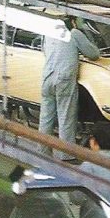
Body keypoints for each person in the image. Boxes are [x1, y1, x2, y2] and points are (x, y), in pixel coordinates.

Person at [39, 15, 99, 157]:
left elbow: (45, 51)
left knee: (46, 118)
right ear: (72, 22)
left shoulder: (48, 34)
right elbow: (93, 54)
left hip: (47, 77)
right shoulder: (74, 33)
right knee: (66, 117)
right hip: (64, 79)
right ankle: (66, 155)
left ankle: (42, 152)